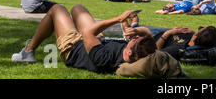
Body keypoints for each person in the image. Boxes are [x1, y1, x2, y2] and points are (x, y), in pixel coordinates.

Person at [11, 5, 164, 77]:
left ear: (130, 51)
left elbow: (87, 33)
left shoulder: (105, 58)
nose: (134, 39)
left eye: (134, 40)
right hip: (97, 41)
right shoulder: (139, 52)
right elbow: (149, 36)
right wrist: (136, 30)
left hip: (73, 47)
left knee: (57, 9)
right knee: (78, 8)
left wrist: (118, 19)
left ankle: (28, 52)